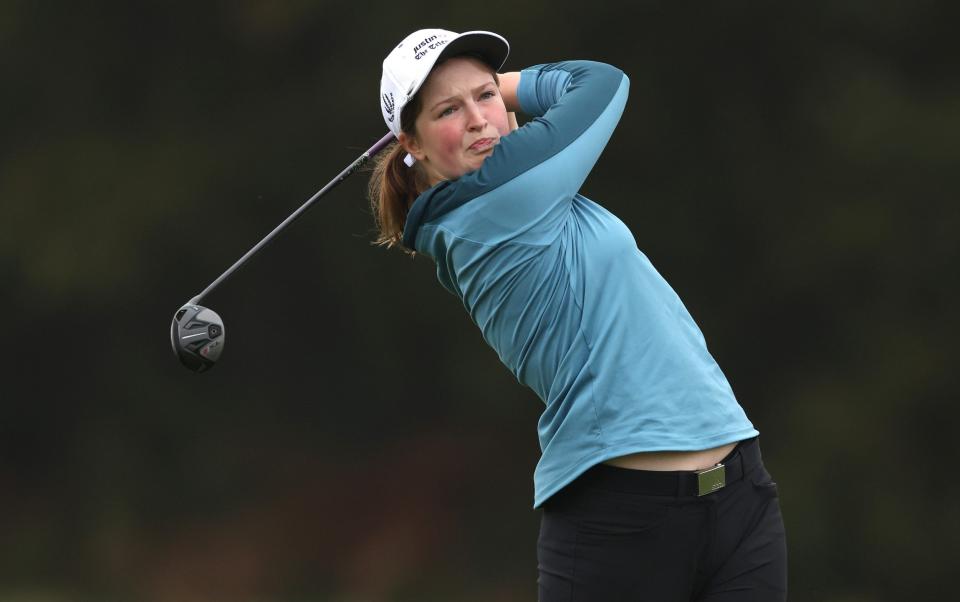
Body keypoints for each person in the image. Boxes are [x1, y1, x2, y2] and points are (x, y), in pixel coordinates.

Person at [368, 28, 788, 601]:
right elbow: (602, 84)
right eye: (448, 110)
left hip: (738, 490)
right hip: (623, 520)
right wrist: (506, 89)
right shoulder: (490, 203)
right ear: (411, 144)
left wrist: (477, 95)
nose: (477, 120)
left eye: (484, 97)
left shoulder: (527, 190)